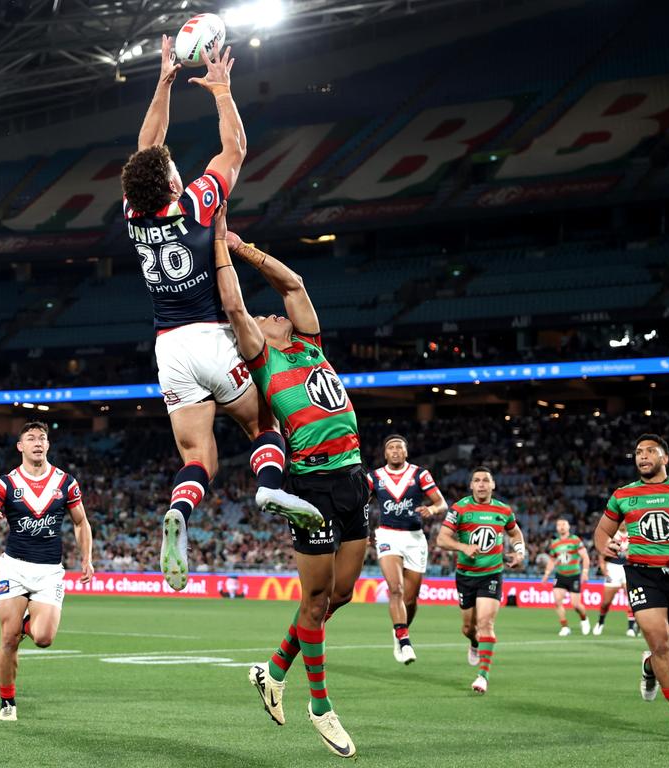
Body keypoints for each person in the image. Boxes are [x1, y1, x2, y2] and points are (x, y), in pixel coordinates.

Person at [120, 36, 320, 590]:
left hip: (168, 349)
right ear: (172, 182)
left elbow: (147, 148)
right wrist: (222, 92)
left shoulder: (135, 214)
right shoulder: (197, 202)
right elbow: (234, 148)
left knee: (199, 456)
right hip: (212, 334)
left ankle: (180, 514)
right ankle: (272, 485)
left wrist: (162, 82)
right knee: (262, 422)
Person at [212, 204, 365, 757]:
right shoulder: (264, 360)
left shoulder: (310, 345)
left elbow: (293, 282)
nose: (278, 315)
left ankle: (274, 669)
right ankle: (320, 706)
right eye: (270, 317)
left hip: (354, 477)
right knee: (317, 598)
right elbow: (234, 306)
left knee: (341, 595)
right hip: (312, 487)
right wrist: (216, 251)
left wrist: (243, 246)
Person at [0, 421, 94, 722]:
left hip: (50, 571)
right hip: (15, 567)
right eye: (31, 438)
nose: (38, 442)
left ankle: (22, 624)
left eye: (43, 438)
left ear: (48, 445)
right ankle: (7, 701)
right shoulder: (5, 484)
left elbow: (80, 522)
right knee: (8, 641)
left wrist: (87, 558)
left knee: (44, 638)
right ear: (20, 446)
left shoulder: (66, 483)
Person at [594, 433, 669, 742]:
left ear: (665, 458)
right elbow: (602, 532)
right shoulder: (623, 495)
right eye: (638, 452)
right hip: (641, 575)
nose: (643, 456)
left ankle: (649, 667)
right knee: (661, 645)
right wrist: (605, 547)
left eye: (650, 451)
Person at [436, 466, 525, 695]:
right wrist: (462, 546)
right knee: (468, 628)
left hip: (491, 574)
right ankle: (474, 643)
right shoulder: (460, 508)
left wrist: (520, 552)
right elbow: (442, 539)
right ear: (471, 485)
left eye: (486, 480)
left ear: (493, 485)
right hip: (465, 575)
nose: (482, 484)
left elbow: (515, 533)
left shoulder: (503, 510)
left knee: (486, 624)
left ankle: (482, 676)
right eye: (477, 480)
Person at [368, 434, 447, 664]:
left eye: (399, 447)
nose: (394, 450)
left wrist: (431, 511)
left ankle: (399, 629)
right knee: (396, 590)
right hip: (387, 535)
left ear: (406, 452)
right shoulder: (374, 477)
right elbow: (359, 505)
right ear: (385, 453)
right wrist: (362, 532)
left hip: (414, 538)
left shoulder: (420, 474)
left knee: (410, 600)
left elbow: (441, 503)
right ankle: (404, 640)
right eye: (390, 447)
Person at [540, 519, 591, 636]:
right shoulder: (555, 543)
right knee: (557, 601)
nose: (561, 527)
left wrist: (585, 572)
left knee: (576, 605)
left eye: (564, 524)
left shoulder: (575, 540)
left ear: (568, 527)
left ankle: (584, 619)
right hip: (559, 576)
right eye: (559, 525)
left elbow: (585, 556)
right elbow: (552, 559)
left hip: (574, 575)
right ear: (556, 528)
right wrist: (546, 574)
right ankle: (565, 627)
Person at [594, 526, 638, 636]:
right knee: (606, 602)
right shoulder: (611, 534)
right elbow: (602, 553)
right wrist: (603, 568)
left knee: (632, 600)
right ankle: (600, 622)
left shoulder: (633, 534)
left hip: (628, 568)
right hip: (613, 568)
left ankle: (631, 627)